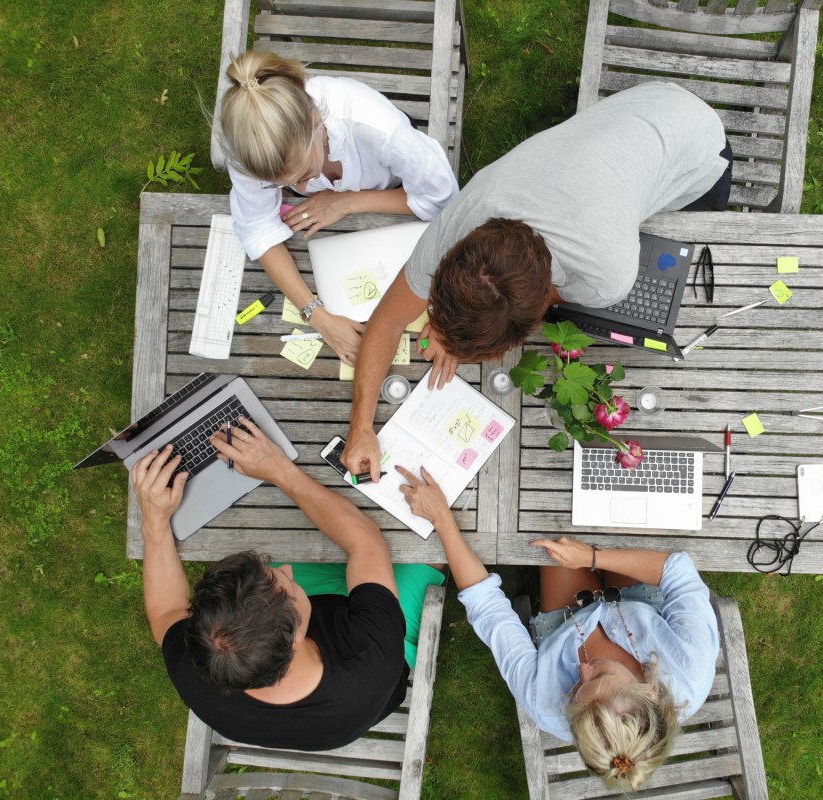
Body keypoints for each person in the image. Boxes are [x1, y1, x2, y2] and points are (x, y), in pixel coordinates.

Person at [342, 81, 731, 480]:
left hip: (699, 149)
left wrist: (462, 330)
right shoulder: (457, 225)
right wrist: (361, 427)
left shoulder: (606, 275)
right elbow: (387, 320)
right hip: (640, 112)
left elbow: (533, 303)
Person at [394, 464, 720, 792]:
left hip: (566, 621)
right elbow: (677, 569)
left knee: (546, 512)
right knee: (615, 500)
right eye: (601, 676)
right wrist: (592, 557)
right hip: (642, 601)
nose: (582, 668)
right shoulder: (691, 665)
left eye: (575, 692)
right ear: (650, 690)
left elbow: (488, 608)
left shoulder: (546, 703)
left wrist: (442, 520)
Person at [132, 417, 445, 751]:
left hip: (318, 663)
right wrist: (279, 470)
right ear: (297, 638)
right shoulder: (372, 656)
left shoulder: (199, 663)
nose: (288, 572)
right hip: (371, 655)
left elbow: (166, 610)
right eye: (287, 587)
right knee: (426, 539)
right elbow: (366, 543)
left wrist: (155, 519)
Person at [219, 50, 459, 364]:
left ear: (316, 123)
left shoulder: (380, 130)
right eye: (284, 185)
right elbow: (257, 228)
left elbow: (442, 199)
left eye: (305, 174)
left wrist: (346, 202)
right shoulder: (249, 149)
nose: (303, 190)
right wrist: (318, 317)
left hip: (390, 189)